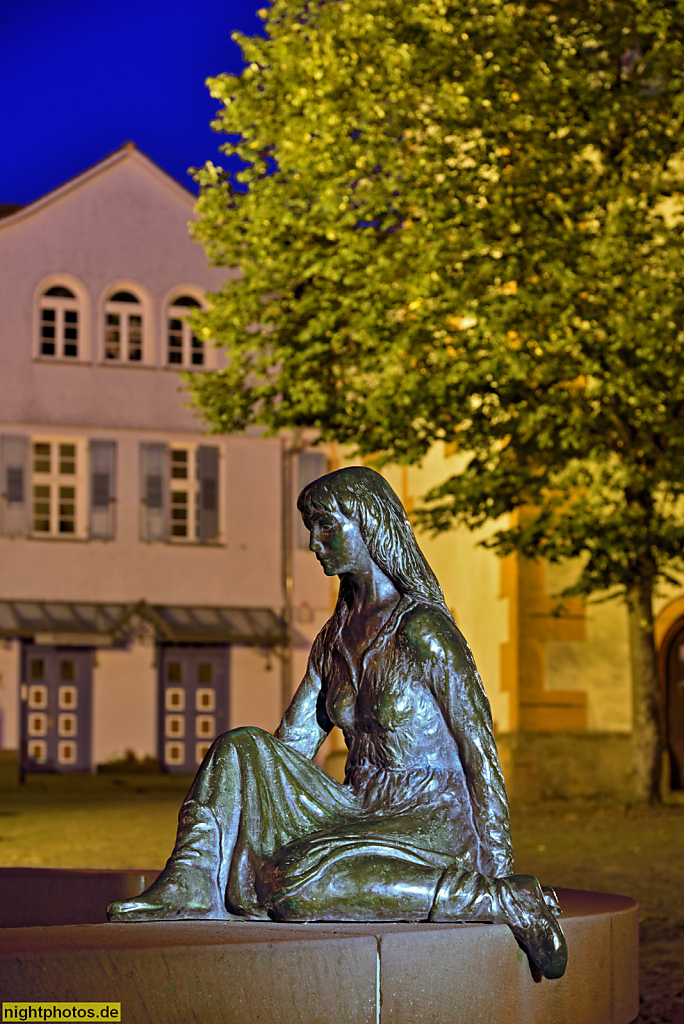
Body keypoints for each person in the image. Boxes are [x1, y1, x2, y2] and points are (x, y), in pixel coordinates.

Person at [108, 467, 567, 980]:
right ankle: (189, 883)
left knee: (295, 888)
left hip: (428, 821)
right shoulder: (334, 639)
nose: (313, 542)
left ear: (367, 523)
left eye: (325, 525)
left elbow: (479, 751)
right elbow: (292, 745)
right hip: (358, 808)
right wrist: (256, 801)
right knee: (239, 747)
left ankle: (499, 896)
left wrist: (497, 860)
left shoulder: (424, 630)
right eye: (310, 527)